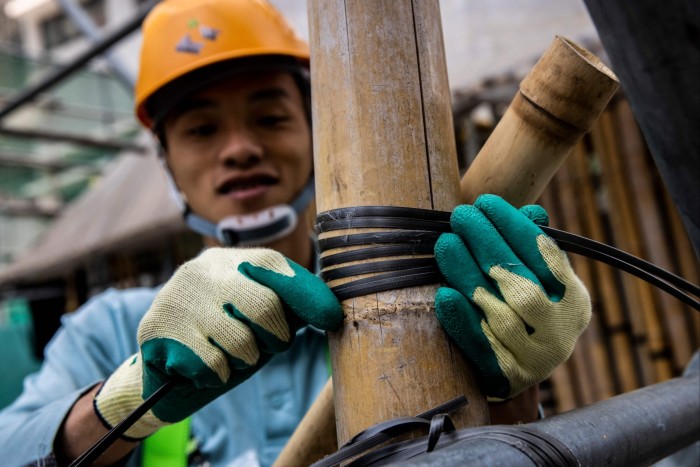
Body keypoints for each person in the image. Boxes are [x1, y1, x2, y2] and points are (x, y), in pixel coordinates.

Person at [0, 1, 592, 465]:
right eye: (202, 129)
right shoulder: (107, 329)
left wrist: (518, 402)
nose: (240, 149)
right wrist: (126, 398)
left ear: (315, 131)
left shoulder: (415, 302)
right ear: (168, 164)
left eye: (270, 116)